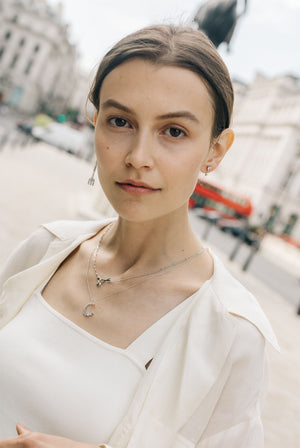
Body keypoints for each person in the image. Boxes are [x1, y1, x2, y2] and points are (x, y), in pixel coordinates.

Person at [0, 24, 279, 448]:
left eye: (174, 131)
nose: (138, 157)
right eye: (119, 121)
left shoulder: (230, 331)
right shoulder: (44, 249)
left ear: (216, 150)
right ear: (94, 124)